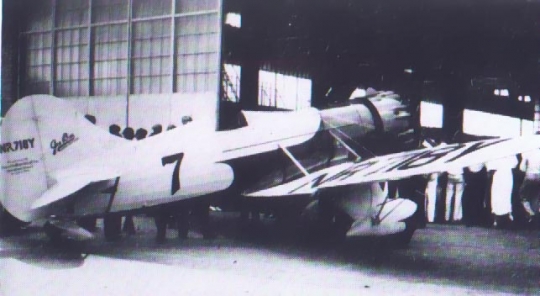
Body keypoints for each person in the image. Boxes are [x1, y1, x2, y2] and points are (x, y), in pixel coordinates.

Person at [486, 155, 519, 228]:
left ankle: (498, 218)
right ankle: (505, 217)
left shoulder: (497, 152)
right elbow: (515, 163)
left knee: (498, 195)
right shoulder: (509, 153)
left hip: (500, 175)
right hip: (505, 175)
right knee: (504, 195)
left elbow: (490, 165)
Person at [519, 149, 540, 229]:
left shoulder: (527, 152)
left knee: (524, 196)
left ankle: (530, 213)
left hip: (529, 176)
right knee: (536, 197)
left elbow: (522, 168)